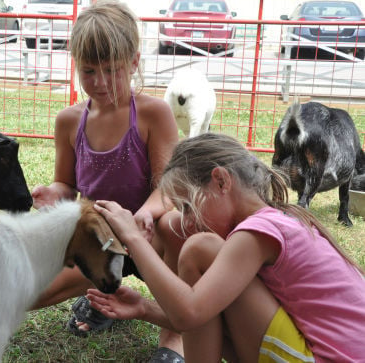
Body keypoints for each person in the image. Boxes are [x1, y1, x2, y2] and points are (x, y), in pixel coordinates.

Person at [87, 133, 365, 362]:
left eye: (187, 205)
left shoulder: (255, 234)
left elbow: (190, 312)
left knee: (200, 249)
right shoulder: (281, 220)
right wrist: (145, 309)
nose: (186, 221)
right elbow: (210, 320)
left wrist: (133, 239)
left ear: (221, 181)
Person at [30, 0, 184, 361]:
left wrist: (144, 214)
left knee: (180, 226)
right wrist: (53, 193)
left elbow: (170, 186)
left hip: (150, 236)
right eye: (88, 71)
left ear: (133, 61)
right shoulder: (69, 121)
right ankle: (105, 297)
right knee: (30, 293)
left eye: (112, 70)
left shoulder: (154, 114)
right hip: (99, 239)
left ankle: (173, 340)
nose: (99, 82)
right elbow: (66, 185)